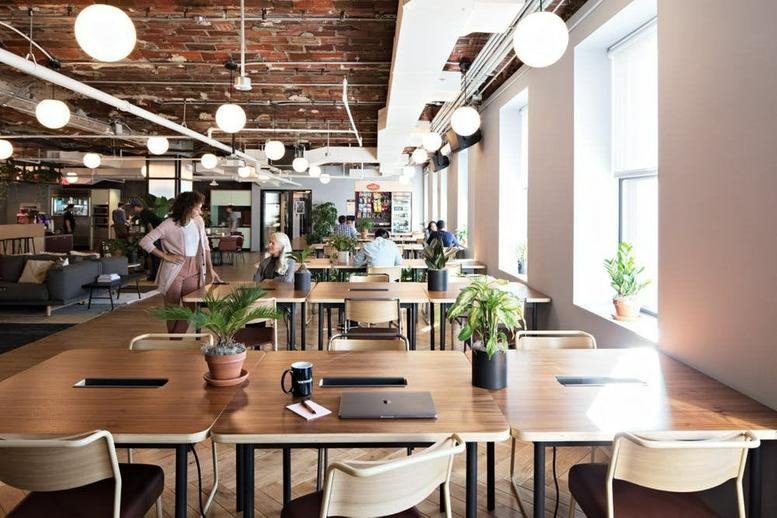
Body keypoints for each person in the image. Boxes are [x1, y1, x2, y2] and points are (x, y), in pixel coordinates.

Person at [139, 191, 222, 333]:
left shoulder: (198, 221)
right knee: (172, 309)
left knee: (191, 307)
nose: (200, 212)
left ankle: (175, 338)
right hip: (174, 270)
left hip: (195, 269)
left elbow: (205, 245)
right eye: (198, 208)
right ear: (188, 207)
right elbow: (145, 242)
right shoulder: (169, 224)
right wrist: (166, 256)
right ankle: (174, 340)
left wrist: (211, 269)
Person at [128, 198, 164, 281]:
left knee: (155, 257)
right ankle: (156, 276)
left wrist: (150, 240)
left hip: (156, 237)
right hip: (159, 236)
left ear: (136, 207)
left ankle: (155, 276)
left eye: (132, 208)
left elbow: (150, 227)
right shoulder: (146, 212)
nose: (132, 210)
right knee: (155, 257)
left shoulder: (143, 214)